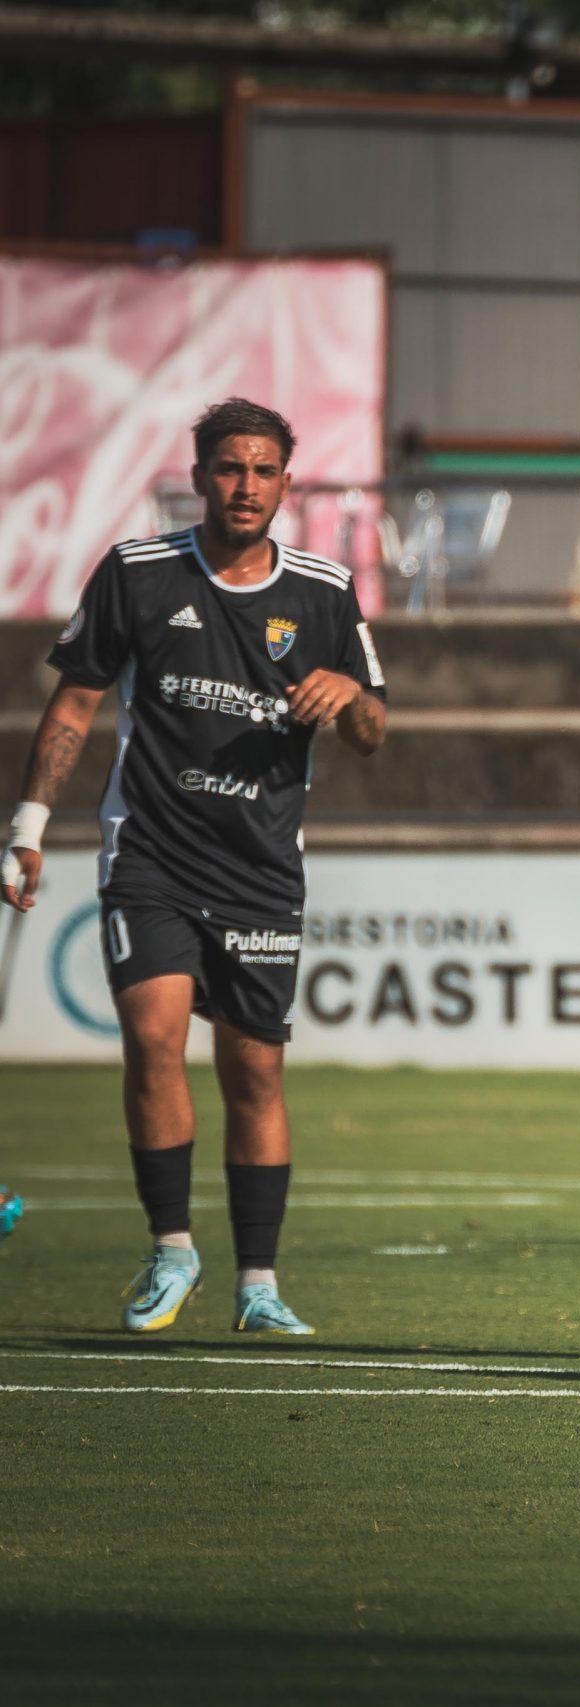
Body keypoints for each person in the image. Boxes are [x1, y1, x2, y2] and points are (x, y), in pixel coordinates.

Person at [1, 397, 389, 1335]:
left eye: (263, 470)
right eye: (229, 467)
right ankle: (172, 1248)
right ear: (199, 477)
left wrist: (349, 697)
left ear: (287, 484)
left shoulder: (326, 592)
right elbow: (74, 704)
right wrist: (28, 823)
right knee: (154, 1035)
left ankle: (259, 1283)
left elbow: (374, 731)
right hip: (152, 853)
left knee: (254, 1071)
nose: (245, 485)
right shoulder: (138, 573)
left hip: (261, 867)